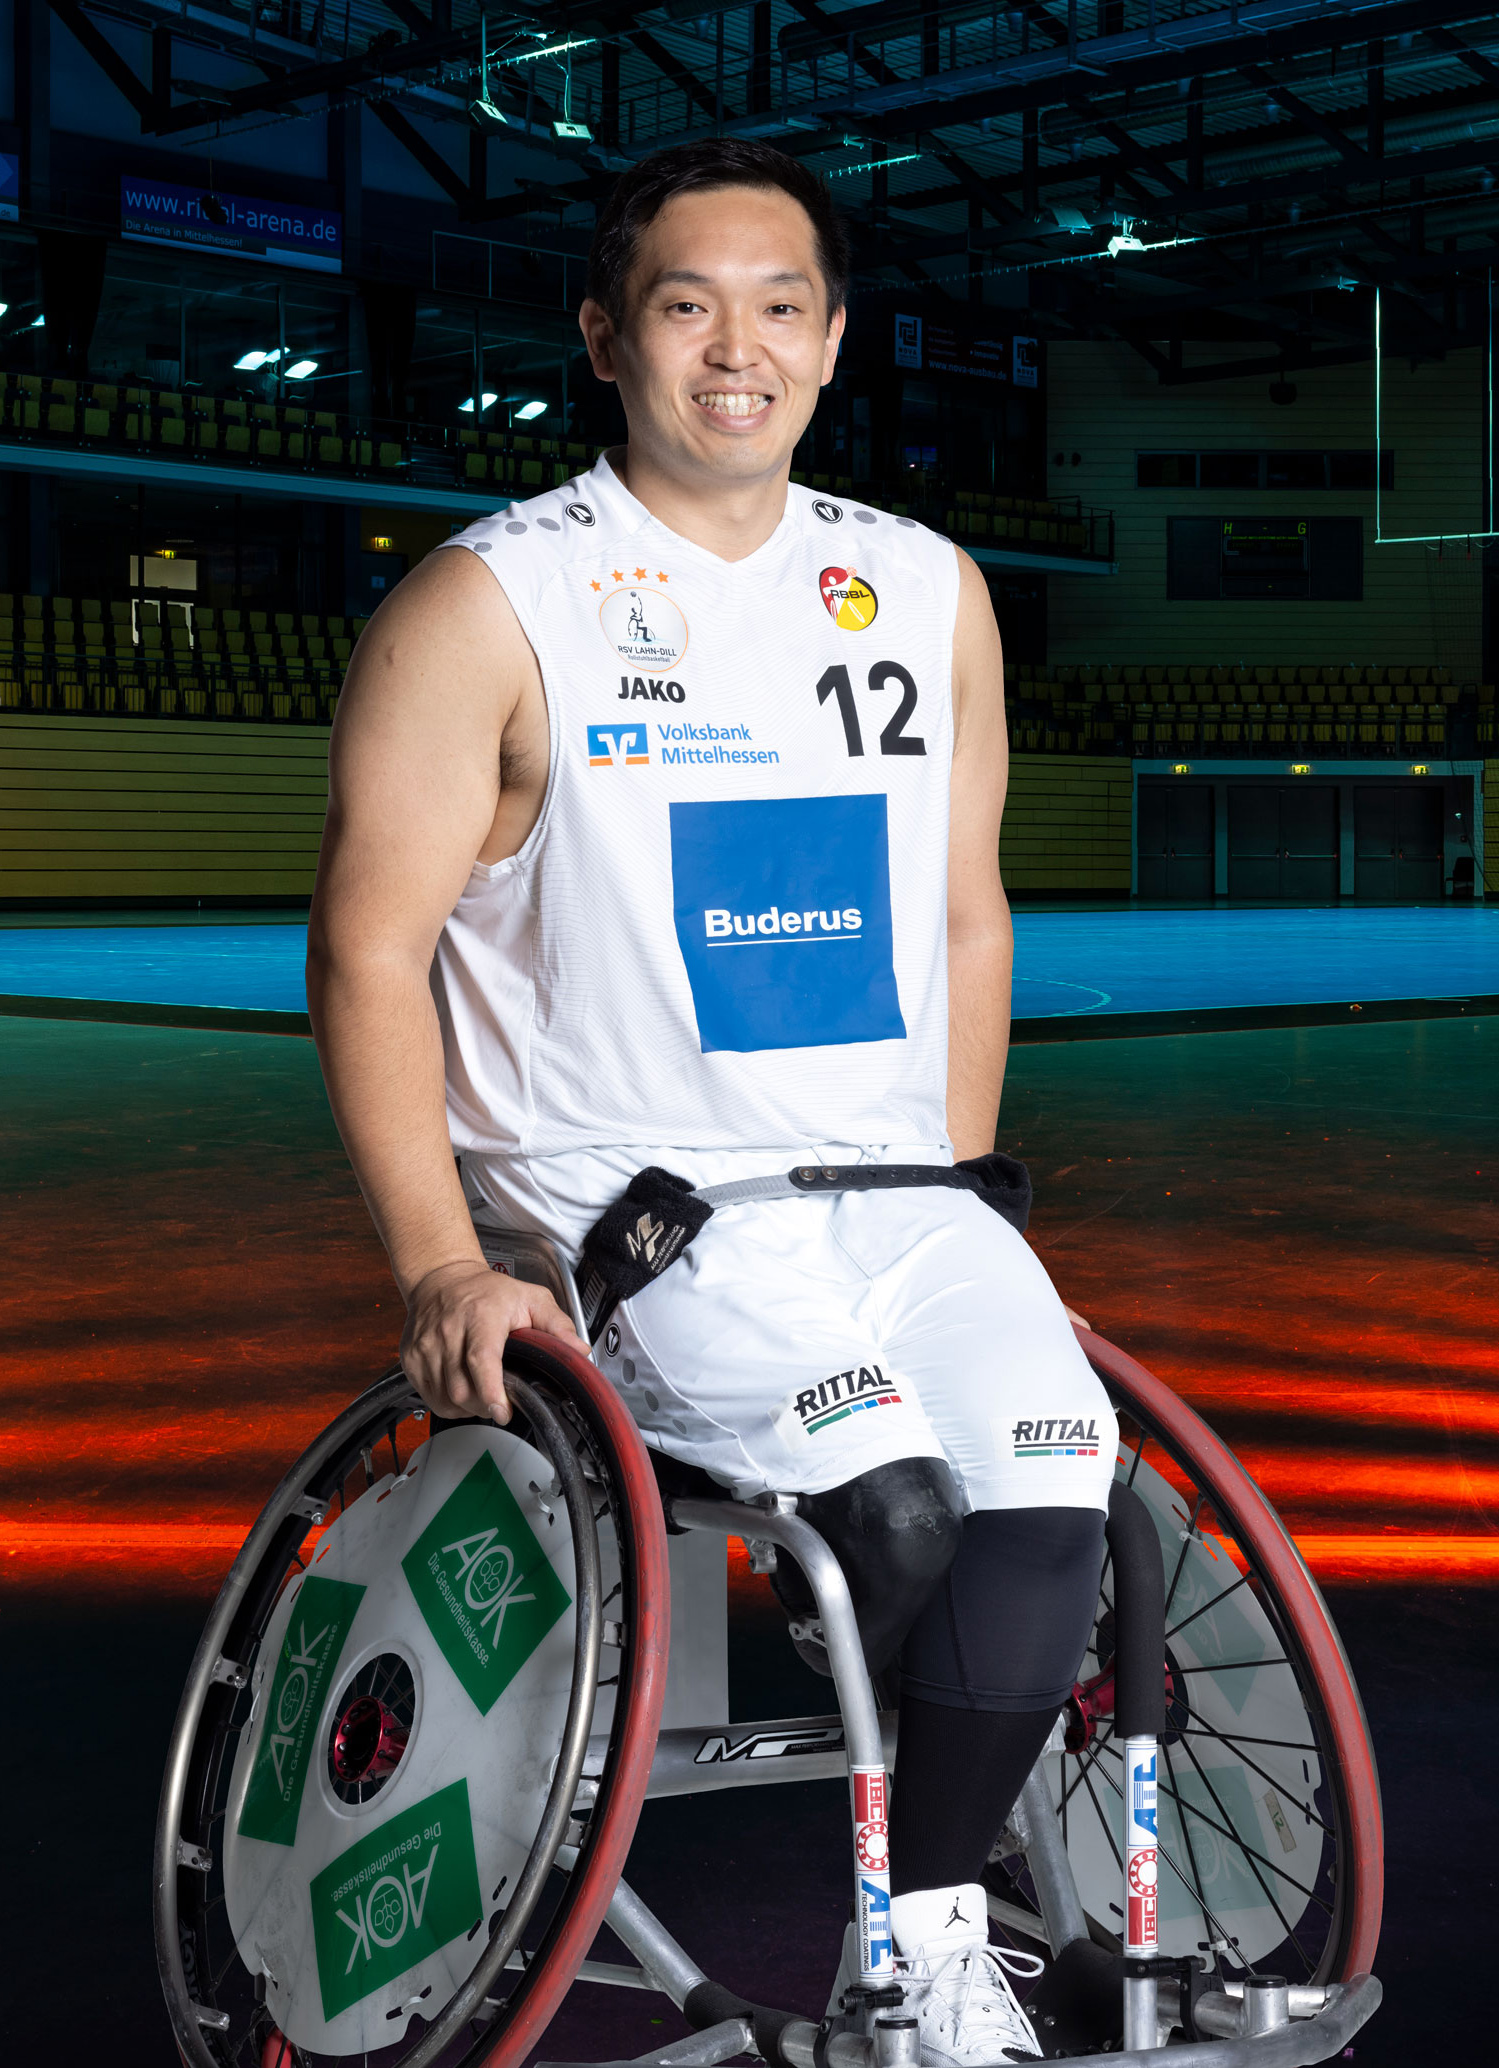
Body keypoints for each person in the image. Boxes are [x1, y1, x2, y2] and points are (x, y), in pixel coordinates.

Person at [307, 136, 1117, 2065]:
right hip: (642, 1206)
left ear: (832, 342)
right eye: (687, 306)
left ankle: (924, 1946)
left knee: (1052, 1473)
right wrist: (439, 1263)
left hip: (893, 1191)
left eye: (779, 307)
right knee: (895, 1504)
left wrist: (962, 1194)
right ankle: (923, 1903)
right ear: (608, 337)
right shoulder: (490, 603)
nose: (735, 349)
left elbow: (965, 917)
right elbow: (365, 952)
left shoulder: (923, 589)